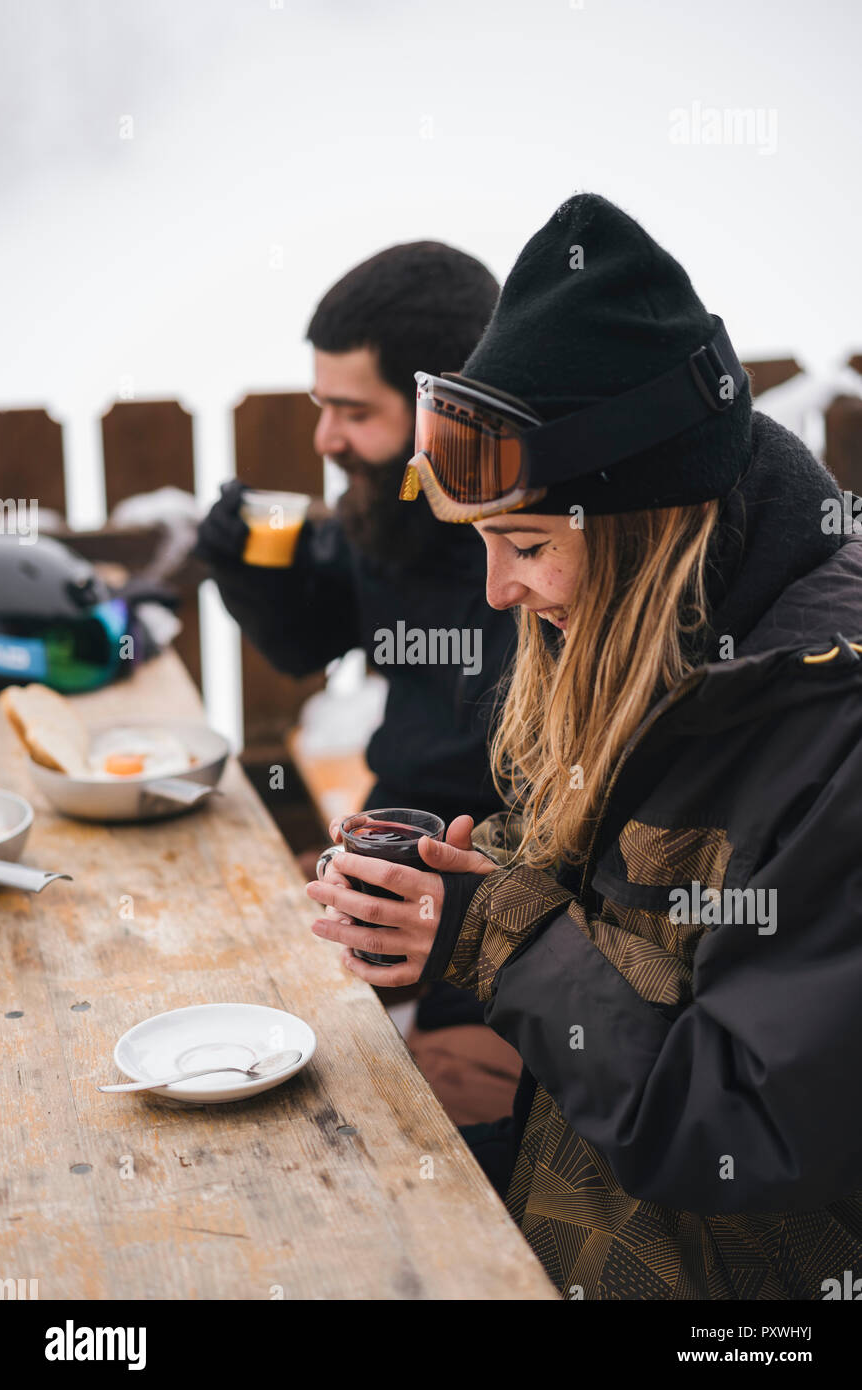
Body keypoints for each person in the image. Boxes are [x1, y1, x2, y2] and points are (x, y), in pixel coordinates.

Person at [306, 193, 862, 1299]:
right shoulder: (655, 629)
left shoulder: (832, 732)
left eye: (522, 543)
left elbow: (744, 1118)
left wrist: (496, 936)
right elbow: (617, 909)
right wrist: (456, 882)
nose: (497, 587)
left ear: (646, 529)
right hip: (577, 1197)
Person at [194, 241, 521, 1124]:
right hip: (394, 840)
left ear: (444, 406)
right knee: (230, 971)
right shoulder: (391, 516)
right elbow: (310, 640)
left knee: (416, 1121)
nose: (324, 438)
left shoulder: (537, 543)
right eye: (319, 406)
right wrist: (251, 574)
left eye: (352, 412)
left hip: (514, 890)